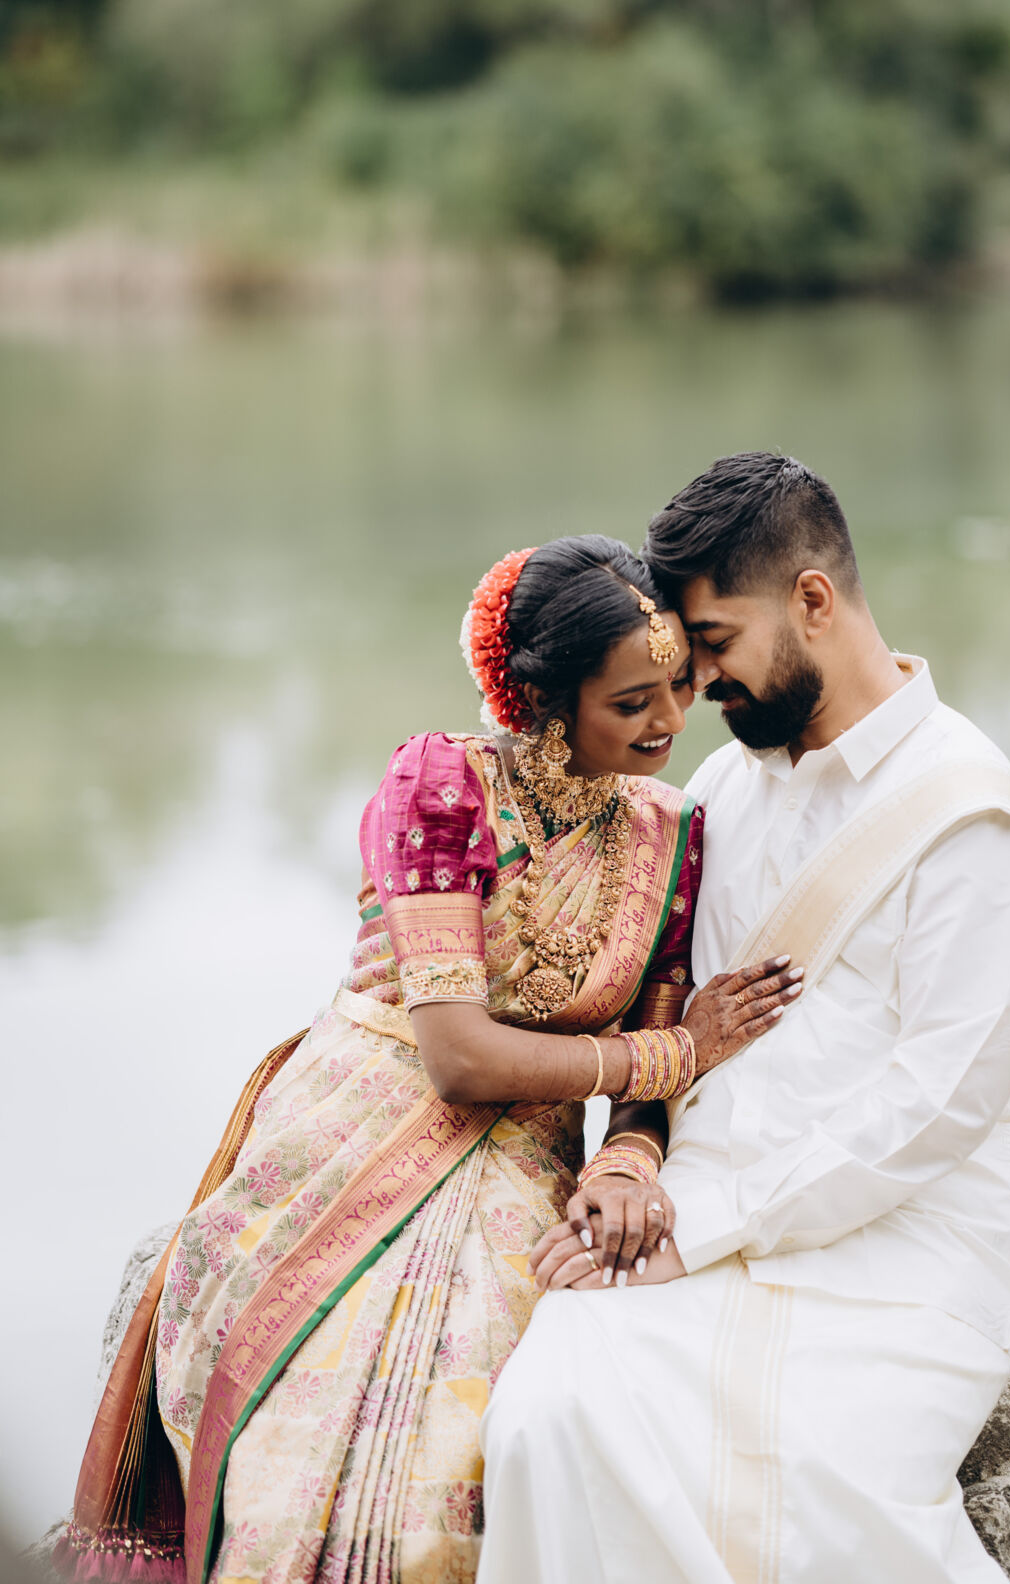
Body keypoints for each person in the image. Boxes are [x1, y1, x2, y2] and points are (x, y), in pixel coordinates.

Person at [59, 536, 800, 1584]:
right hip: (363, 1113)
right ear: (542, 702)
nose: (670, 722)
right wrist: (677, 1052)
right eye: (631, 702)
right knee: (300, 1429)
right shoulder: (443, 784)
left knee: (487, 1409)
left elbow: (652, 1067)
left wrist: (627, 1165)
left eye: (679, 686)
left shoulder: (674, 834)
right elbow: (459, 1056)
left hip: (526, 1151)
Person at [477, 456, 1010, 1584]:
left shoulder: (967, 811)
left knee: (818, 1488)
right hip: (690, 1215)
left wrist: (704, 1224)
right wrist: (633, 1165)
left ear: (812, 600)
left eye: (712, 643)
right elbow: (658, 1020)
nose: (694, 683)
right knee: (548, 1416)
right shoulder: (717, 794)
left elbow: (939, 1103)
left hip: (901, 1240)